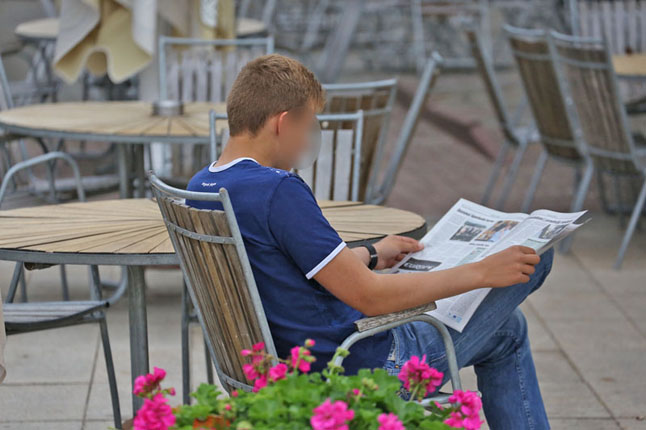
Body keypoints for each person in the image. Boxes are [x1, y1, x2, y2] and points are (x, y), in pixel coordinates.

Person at [187, 54, 553, 429]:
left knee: (508, 328)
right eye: (309, 125)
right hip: (358, 367)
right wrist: (481, 272)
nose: (310, 140)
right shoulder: (277, 190)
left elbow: (282, 267)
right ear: (284, 123)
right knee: (538, 258)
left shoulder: (202, 186)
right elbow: (371, 297)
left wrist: (372, 254)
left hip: (287, 362)